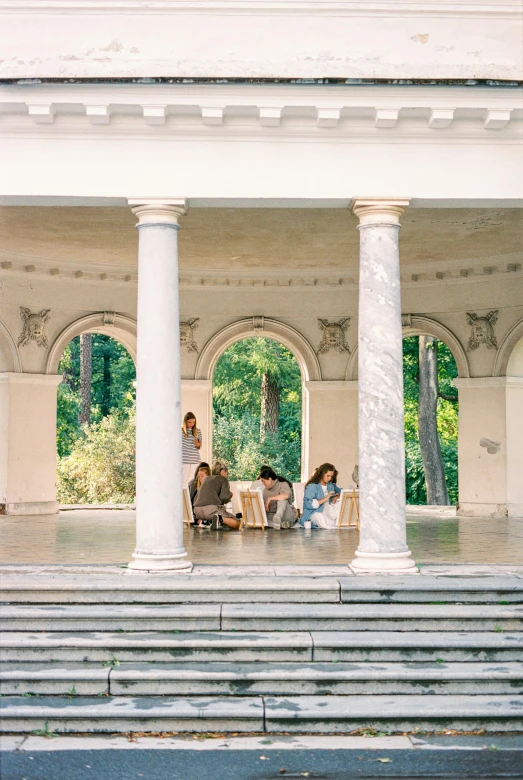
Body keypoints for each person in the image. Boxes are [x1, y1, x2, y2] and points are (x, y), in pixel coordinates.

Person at [193, 461, 241, 530]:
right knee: (237, 523)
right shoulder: (223, 479)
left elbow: (196, 498)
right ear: (223, 471)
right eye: (226, 473)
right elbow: (224, 498)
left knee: (218, 514)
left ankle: (211, 520)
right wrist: (230, 495)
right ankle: (220, 518)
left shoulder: (206, 479)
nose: (226, 475)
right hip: (210, 510)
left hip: (197, 511)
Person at [300, 462, 341, 529]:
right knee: (319, 517)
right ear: (322, 474)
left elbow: (338, 493)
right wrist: (326, 498)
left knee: (340, 503)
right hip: (314, 512)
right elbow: (308, 504)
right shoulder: (312, 486)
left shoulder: (330, 485)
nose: (330, 478)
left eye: (331, 476)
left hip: (328, 509)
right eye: (328, 476)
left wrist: (335, 498)